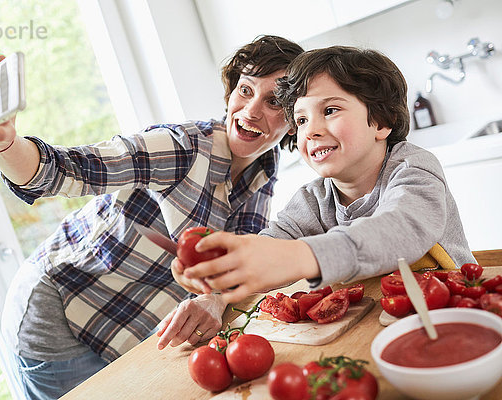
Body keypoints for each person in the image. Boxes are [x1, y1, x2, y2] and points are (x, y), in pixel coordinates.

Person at [0, 35, 303, 399]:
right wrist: (3, 144)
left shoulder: (264, 166)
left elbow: (240, 254)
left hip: (124, 318)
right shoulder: (181, 147)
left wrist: (214, 299)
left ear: (294, 121)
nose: (250, 110)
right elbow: (69, 170)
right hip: (62, 313)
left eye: (274, 100)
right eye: (245, 90)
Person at [174, 46, 476, 305]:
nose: (311, 130)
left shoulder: (413, 168)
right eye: (302, 119)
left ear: (382, 122)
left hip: (460, 306)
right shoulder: (313, 199)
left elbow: (400, 229)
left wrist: (303, 257)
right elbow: (271, 247)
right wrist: (217, 285)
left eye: (330, 110)